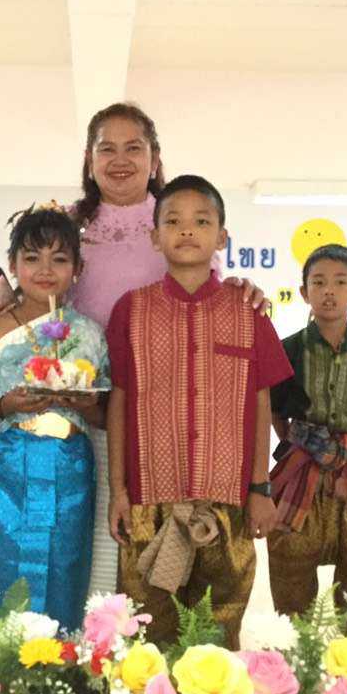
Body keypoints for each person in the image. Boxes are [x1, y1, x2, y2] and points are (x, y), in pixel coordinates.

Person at [66, 102, 268, 598]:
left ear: (155, 158)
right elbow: (35, 291)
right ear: (89, 160)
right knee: (83, 547)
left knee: (138, 551)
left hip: (157, 416)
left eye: (133, 147)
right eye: (106, 149)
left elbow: (208, 293)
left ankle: (150, 641)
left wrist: (244, 289)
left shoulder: (174, 217)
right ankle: (95, 643)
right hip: (78, 407)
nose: (120, 160)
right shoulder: (67, 226)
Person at [106, 175, 292, 648]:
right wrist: (118, 491)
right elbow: (120, 400)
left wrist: (260, 488)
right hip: (149, 504)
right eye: (173, 221)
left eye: (202, 221)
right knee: (147, 641)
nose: (187, 230)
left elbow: (261, 402)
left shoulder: (248, 311)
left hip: (227, 505)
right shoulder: (131, 310)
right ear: (155, 236)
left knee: (218, 639)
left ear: (222, 237)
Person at [0, 204, 111, 631]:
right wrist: (4, 407)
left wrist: (82, 404)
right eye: (31, 258)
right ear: (12, 265)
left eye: (59, 259)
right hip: (5, 470)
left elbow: (105, 417)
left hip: (70, 468)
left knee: (63, 572)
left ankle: (58, 664)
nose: (45, 270)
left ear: (77, 269)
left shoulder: (90, 333)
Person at [267, 244, 347, 635]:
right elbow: (274, 408)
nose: (329, 291)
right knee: (290, 560)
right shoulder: (286, 350)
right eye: (318, 282)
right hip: (299, 468)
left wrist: (341, 449)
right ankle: (298, 648)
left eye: (341, 282)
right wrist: (300, 445)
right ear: (303, 292)